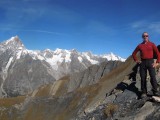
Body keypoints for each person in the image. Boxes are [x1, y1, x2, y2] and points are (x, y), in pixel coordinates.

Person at [132, 32, 160, 98]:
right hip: (143, 63)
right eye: (144, 36)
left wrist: (157, 62)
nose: (145, 37)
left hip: (151, 62)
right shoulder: (140, 45)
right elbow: (133, 54)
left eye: (146, 36)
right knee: (143, 78)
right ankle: (144, 92)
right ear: (142, 37)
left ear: (148, 36)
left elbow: (158, 53)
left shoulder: (152, 44)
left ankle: (155, 91)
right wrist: (137, 60)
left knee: (153, 77)